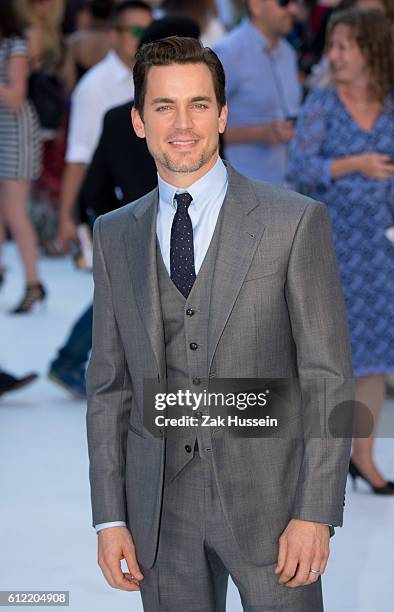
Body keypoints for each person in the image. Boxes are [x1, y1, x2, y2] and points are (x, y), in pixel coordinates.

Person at [86, 36, 354, 610]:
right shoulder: (114, 235)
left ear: (223, 114)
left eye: (199, 104)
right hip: (159, 514)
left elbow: (327, 376)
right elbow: (109, 387)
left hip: (275, 510)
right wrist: (109, 517)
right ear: (138, 121)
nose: (183, 123)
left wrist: (315, 512)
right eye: (164, 106)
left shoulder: (294, 222)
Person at [47, 15, 198, 399]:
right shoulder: (198, 118)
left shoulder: (119, 118)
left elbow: (94, 188)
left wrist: (114, 216)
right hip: (175, 222)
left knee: (123, 297)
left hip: (142, 221)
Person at [288, 9, 394, 494]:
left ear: (371, 49)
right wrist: (355, 164)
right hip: (329, 245)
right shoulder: (323, 104)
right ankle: (320, 464)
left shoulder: (391, 104)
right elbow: (299, 166)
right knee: (326, 356)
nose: (333, 56)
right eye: (332, 46)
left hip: (381, 250)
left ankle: (364, 458)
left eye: (343, 46)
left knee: (374, 356)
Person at [56, 0, 152, 250]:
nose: (144, 38)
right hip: (115, 211)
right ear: (113, 34)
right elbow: (79, 154)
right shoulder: (94, 87)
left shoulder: (159, 80)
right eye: (135, 31)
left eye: (150, 30)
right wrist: (66, 217)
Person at [214, 0, 302, 185]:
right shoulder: (228, 53)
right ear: (256, 5)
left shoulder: (288, 53)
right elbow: (200, 127)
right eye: (283, 2)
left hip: (288, 187)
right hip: (244, 188)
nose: (293, 9)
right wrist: (260, 133)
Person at [0, 0, 44, 314]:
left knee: (16, 213)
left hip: (16, 134)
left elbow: (16, 96)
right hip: (5, 133)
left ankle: (33, 283)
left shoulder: (14, 43)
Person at [63, 0, 115, 95]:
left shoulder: (75, 42)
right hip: (107, 94)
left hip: (80, 93)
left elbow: (69, 80)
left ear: (90, 13)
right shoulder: (115, 42)